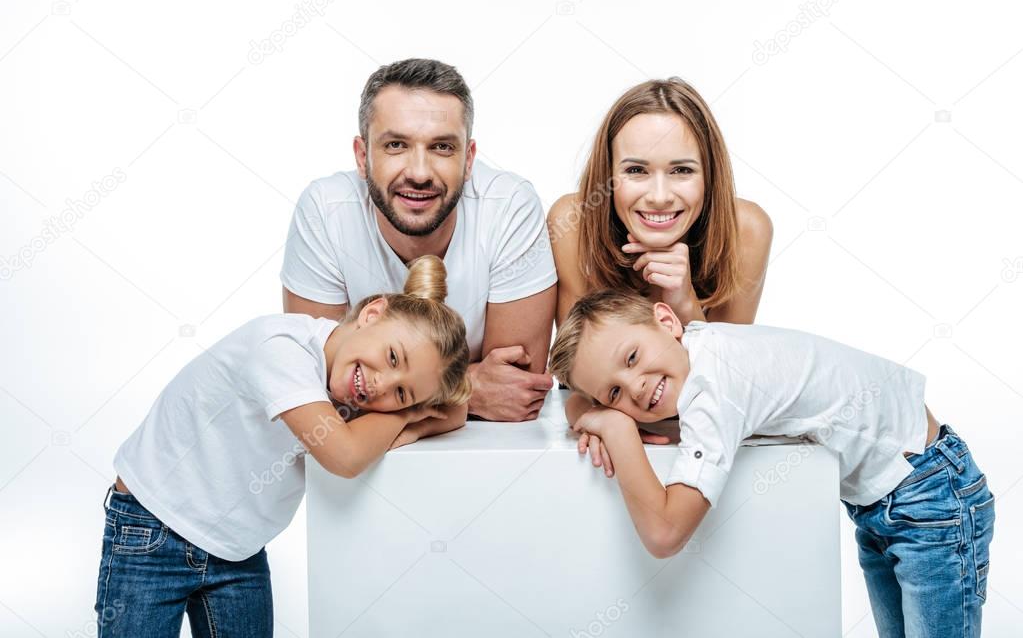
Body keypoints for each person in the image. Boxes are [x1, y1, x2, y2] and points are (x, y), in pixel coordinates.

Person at [548, 289, 995, 638]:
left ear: (667, 321)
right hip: (889, 503)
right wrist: (588, 412)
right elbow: (574, 401)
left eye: (631, 358)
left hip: (931, 499)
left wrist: (618, 429)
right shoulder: (702, 351)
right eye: (614, 393)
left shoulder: (712, 388)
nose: (636, 387)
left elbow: (665, 533)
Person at [95, 256, 470, 637]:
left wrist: (410, 412)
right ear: (372, 313)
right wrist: (407, 415)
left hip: (238, 551)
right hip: (152, 531)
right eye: (393, 357)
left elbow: (456, 411)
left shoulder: (354, 389)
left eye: (401, 393)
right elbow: (345, 456)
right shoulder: (282, 348)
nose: (380, 385)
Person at [282, 58, 557, 425]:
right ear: (363, 157)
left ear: (469, 159)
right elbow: (318, 388)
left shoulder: (509, 206)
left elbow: (516, 391)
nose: (420, 173)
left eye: (442, 148)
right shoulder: (325, 210)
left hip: (479, 451)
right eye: (396, 145)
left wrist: (392, 395)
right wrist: (470, 389)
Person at [547, 77, 773, 463]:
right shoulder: (573, 222)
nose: (659, 195)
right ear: (609, 177)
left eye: (681, 171)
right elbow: (574, 379)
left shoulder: (746, 230)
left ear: (709, 176)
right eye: (636, 170)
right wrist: (594, 418)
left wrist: (684, 301)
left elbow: (730, 382)